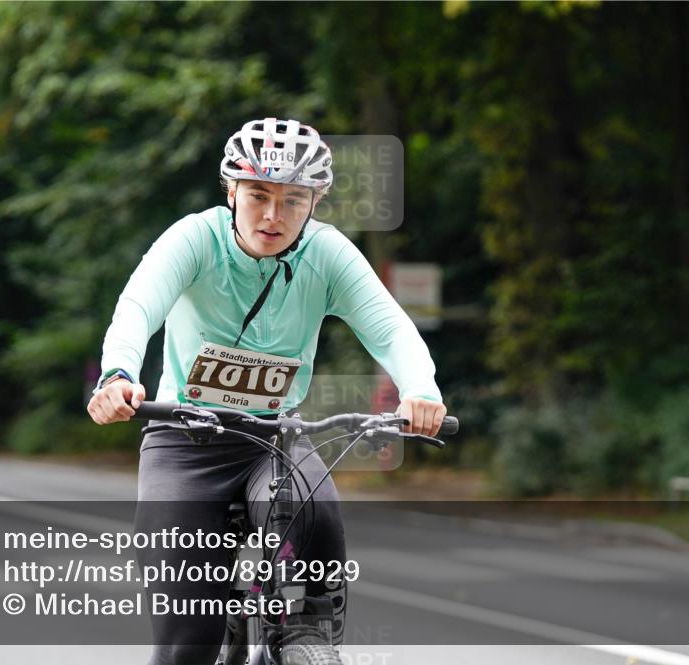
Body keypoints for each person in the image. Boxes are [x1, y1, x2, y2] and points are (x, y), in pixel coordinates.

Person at [87, 117, 445, 665]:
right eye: (258, 195)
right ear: (231, 192)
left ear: (315, 203)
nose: (274, 216)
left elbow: (392, 329)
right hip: (185, 442)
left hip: (272, 439)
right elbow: (138, 308)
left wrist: (421, 388)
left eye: (294, 200)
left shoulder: (326, 254)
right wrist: (118, 376)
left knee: (315, 506)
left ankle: (309, 632)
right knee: (187, 640)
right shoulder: (194, 239)